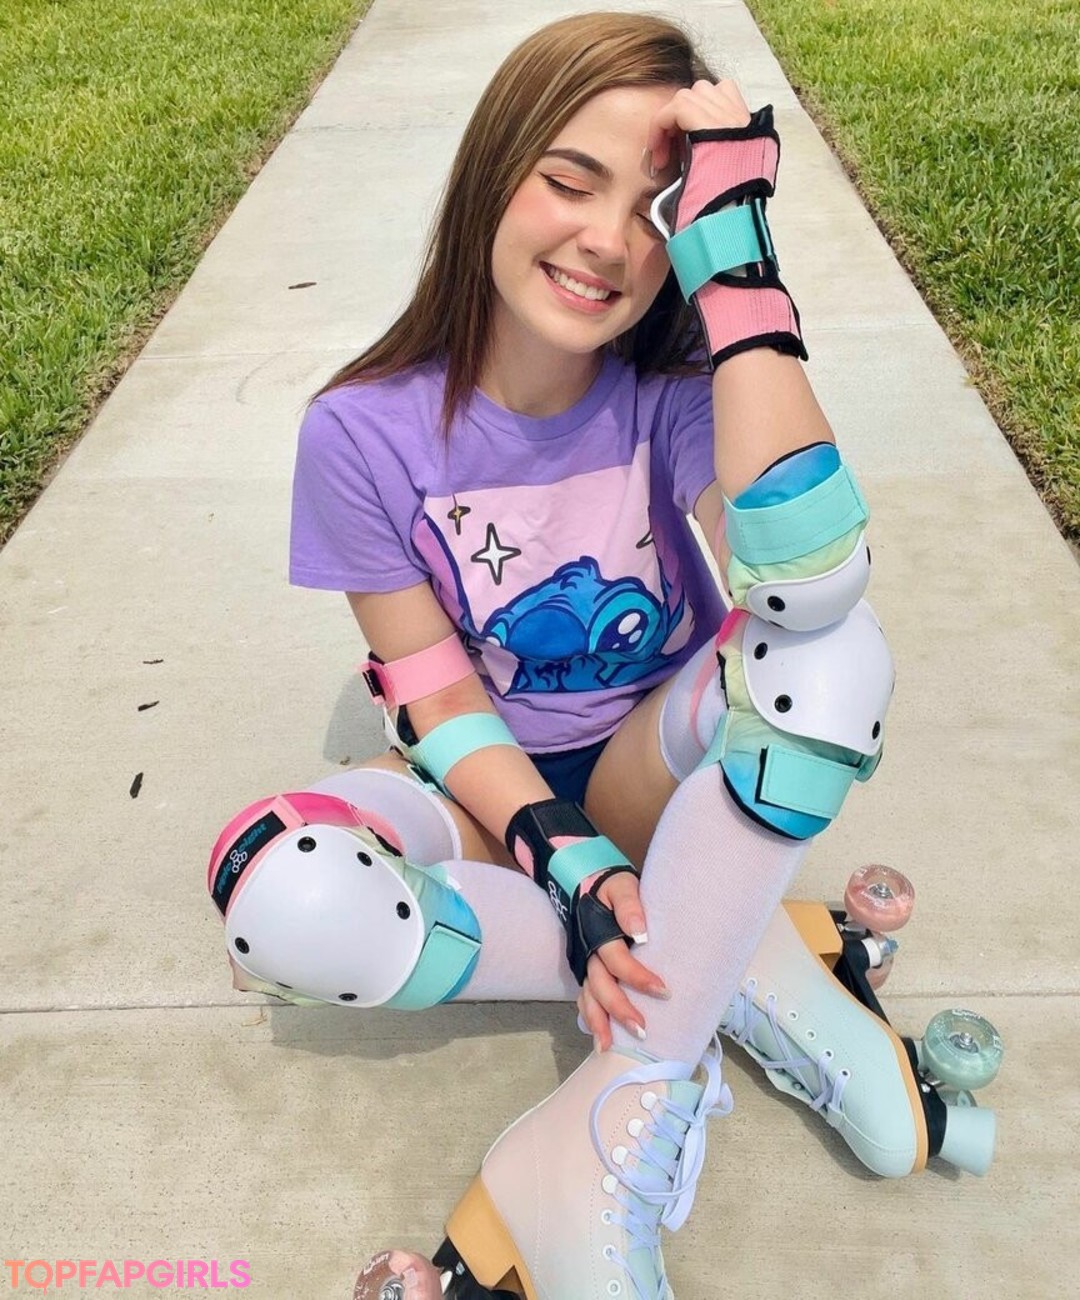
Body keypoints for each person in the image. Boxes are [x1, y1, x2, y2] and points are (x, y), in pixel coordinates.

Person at [207, 12, 893, 1298]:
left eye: (658, 210)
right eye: (571, 181)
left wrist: (739, 267)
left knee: (832, 654)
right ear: (493, 172)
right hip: (497, 794)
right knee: (278, 891)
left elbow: (810, 577)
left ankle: (605, 1125)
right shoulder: (359, 431)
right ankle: (715, 952)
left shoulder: (675, 393)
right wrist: (568, 861)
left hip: (659, 765)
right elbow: (434, 689)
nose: (609, 243)